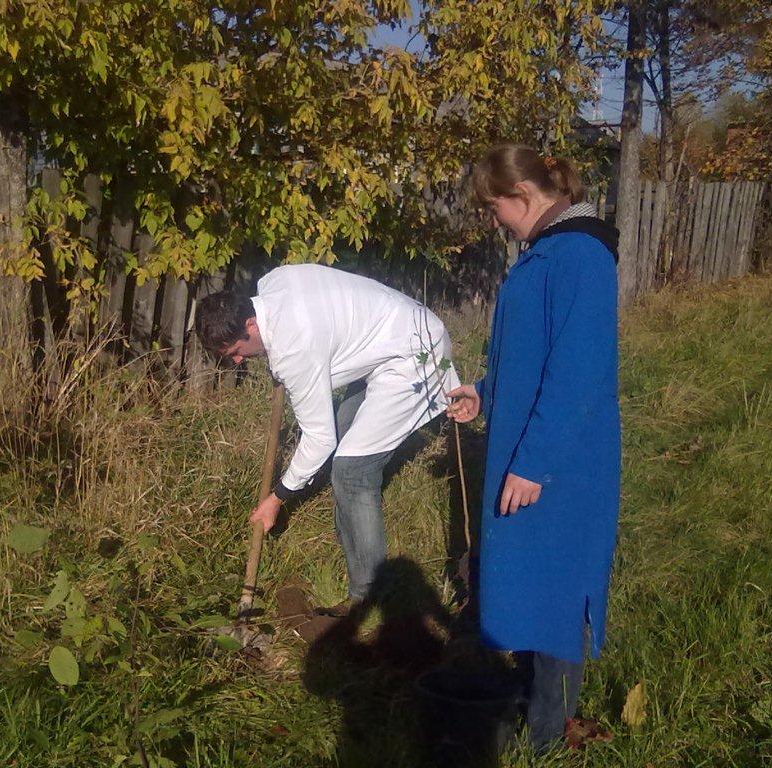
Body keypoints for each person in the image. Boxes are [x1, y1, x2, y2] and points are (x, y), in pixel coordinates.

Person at [447, 144, 621, 751]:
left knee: (553, 586)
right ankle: (535, 711)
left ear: (521, 196)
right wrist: (484, 393)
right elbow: (533, 358)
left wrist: (533, 462)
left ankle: (547, 737)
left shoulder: (580, 256)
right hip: (533, 447)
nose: (494, 220)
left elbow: (577, 370)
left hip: (561, 461)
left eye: (495, 207)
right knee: (531, 584)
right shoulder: (547, 252)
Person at [196, 264, 460, 615]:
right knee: (346, 446)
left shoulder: (294, 348)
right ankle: (356, 555)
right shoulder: (271, 283)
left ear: (251, 323)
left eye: (236, 351)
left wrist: (278, 497)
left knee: (352, 470)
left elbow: (320, 439)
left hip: (414, 354)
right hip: (391, 335)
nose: (240, 359)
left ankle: (368, 594)